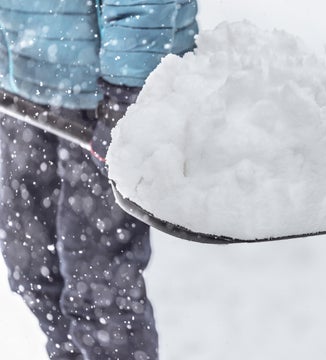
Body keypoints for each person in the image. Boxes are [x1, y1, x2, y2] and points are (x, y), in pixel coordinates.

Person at [0, 1, 198, 359]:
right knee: (33, 270)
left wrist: (127, 98)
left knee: (99, 289)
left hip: (102, 95)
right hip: (19, 85)